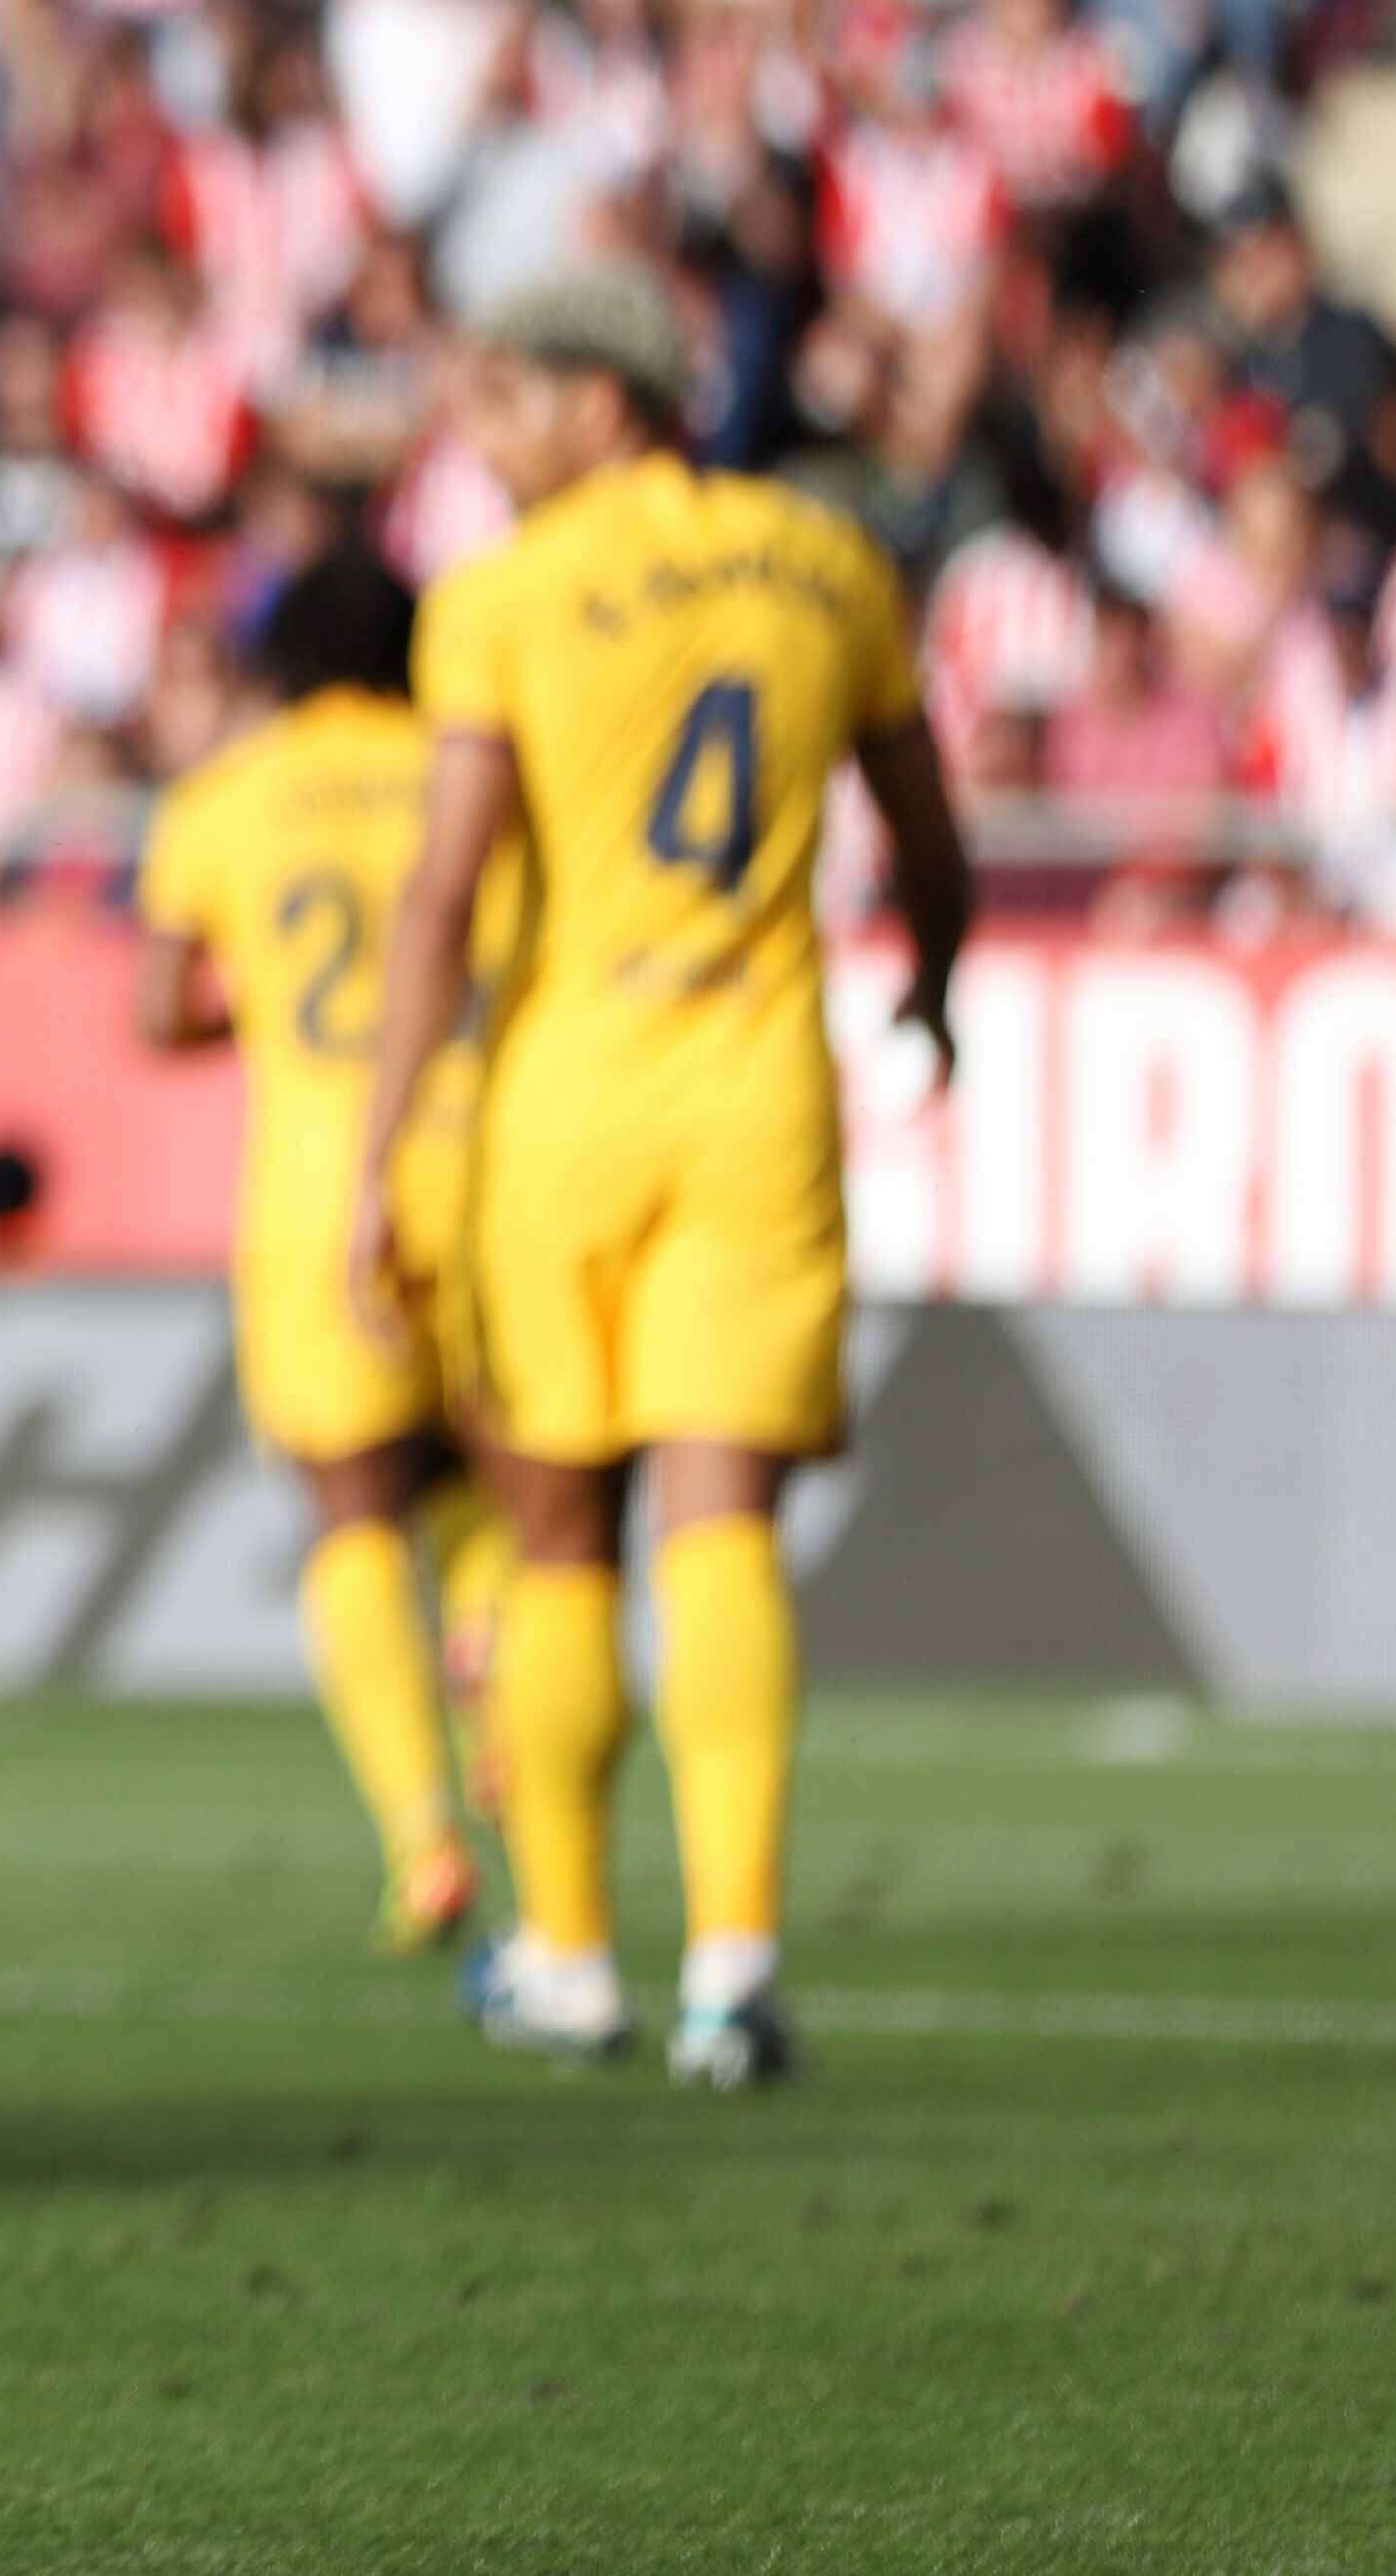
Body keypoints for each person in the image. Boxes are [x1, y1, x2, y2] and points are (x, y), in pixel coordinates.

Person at [351, 266, 972, 2087]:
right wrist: (933, 985)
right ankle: (734, 1963)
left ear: (602, 401)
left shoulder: (504, 596)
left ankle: (563, 1953)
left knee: (554, 1535)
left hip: (564, 1103)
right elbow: (928, 836)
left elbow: (446, 891)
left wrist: (383, 1147)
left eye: (509, 398)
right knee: (722, 1527)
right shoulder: (830, 562)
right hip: (756, 1091)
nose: (482, 435)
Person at [132, 541, 517, 1955]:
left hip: (317, 1174)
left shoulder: (225, 797)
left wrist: (274, 1018)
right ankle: (503, 1689)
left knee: (353, 1510)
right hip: (474, 1153)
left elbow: (157, 1010)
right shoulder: (462, 766)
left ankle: (422, 1840)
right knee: (493, 1489)